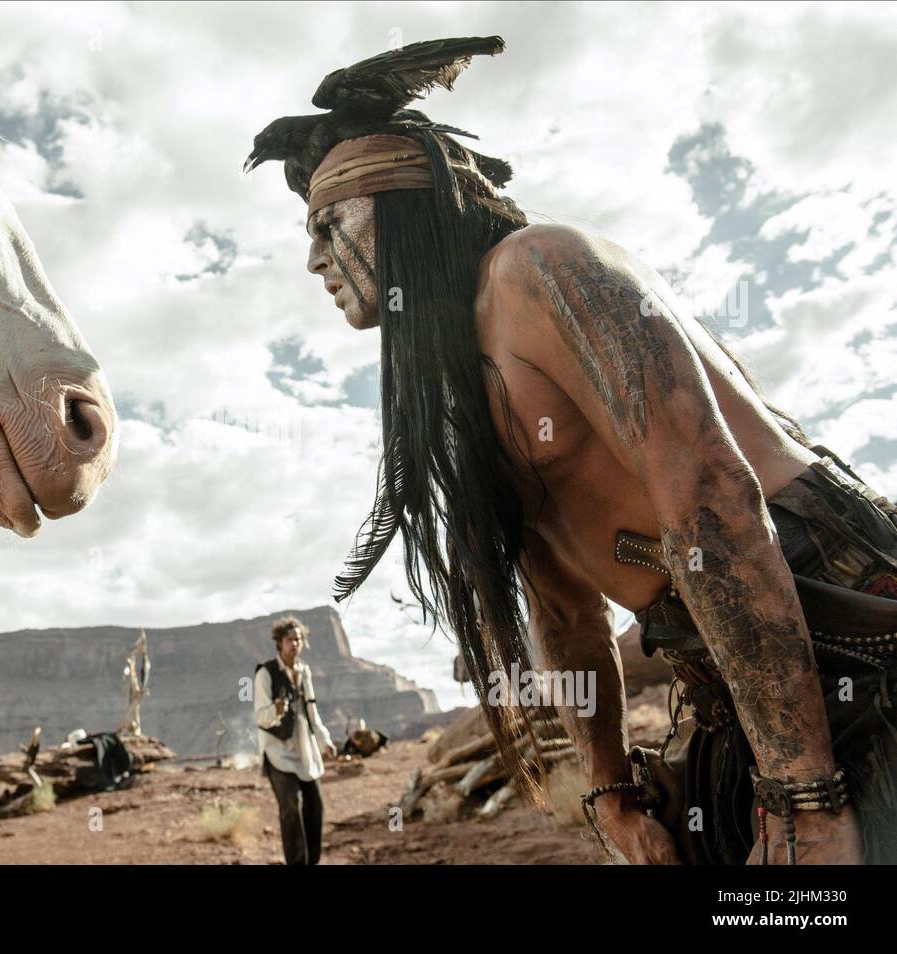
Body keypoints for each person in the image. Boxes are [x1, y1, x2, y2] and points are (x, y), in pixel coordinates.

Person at [246, 36, 897, 864]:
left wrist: (803, 794)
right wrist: (610, 793)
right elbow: (563, 610)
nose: (312, 260)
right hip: (721, 668)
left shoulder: (539, 270)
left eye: (329, 222)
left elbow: (712, 497)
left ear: (405, 202)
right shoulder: (459, 391)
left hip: (835, 614)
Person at [254, 617, 337, 865]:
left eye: (298, 639)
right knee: (291, 809)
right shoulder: (265, 673)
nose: (294, 644)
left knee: (315, 807)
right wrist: (276, 711)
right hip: (278, 752)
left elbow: (312, 711)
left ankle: (313, 861)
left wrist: (325, 740)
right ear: (280, 643)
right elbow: (260, 716)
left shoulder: (304, 672)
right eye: (289, 640)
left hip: (305, 751)